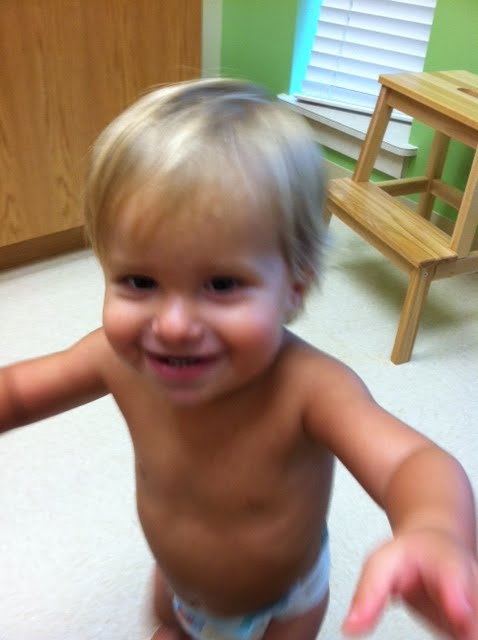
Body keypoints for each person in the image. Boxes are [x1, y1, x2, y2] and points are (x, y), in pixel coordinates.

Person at [0, 78, 477, 640]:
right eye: (140, 281)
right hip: (179, 584)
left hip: (283, 604)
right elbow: (19, 393)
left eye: (221, 284)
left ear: (294, 287)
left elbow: (412, 463)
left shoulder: (311, 389)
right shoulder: (114, 358)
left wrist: (434, 529)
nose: (173, 325)